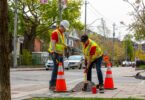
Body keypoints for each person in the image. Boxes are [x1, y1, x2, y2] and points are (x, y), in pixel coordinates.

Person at [48, 20, 70, 91]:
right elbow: (53, 43)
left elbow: (61, 43)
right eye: (65, 28)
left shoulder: (62, 34)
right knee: (56, 68)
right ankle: (52, 85)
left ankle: (58, 84)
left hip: (60, 53)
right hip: (55, 53)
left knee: (61, 69)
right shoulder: (55, 33)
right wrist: (54, 53)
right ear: (62, 26)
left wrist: (66, 47)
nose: (65, 30)